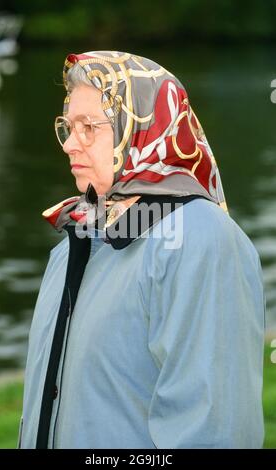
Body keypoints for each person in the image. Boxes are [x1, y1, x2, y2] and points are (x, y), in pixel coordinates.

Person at [18, 51, 265, 449]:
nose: (69, 145)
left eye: (89, 127)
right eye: (67, 126)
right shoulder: (73, 243)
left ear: (141, 128)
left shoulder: (198, 239)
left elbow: (216, 432)